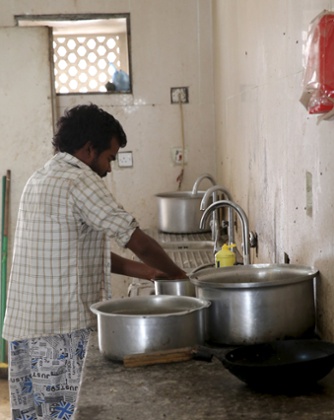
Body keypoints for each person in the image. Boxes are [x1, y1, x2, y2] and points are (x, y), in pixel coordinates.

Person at [2, 103, 187, 419]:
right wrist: (182, 279)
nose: (110, 168)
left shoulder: (41, 177)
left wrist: (147, 272)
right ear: (89, 149)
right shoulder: (80, 180)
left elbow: (76, 253)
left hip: (24, 336)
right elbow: (136, 240)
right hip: (60, 336)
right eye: (109, 157)